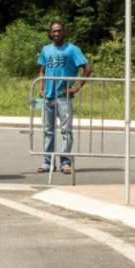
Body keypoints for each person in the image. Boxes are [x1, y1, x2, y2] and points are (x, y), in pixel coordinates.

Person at [38, 21, 92, 174]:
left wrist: (77, 87)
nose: (56, 33)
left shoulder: (72, 49)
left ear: (64, 32)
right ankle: (47, 163)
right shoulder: (45, 49)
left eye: (59, 31)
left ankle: (65, 162)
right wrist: (41, 87)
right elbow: (41, 69)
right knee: (48, 131)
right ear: (50, 33)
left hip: (63, 97)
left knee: (66, 131)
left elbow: (87, 68)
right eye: (53, 31)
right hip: (48, 97)